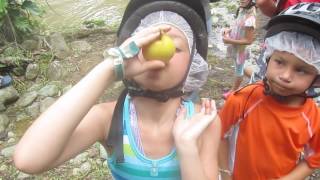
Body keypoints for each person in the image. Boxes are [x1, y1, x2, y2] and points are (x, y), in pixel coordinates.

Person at [13, 1, 221, 179]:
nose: (155, 55)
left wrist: (187, 147)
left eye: (175, 48)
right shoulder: (108, 118)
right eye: (144, 44)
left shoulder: (203, 123)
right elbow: (28, 159)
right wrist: (110, 68)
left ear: (194, 62)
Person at [218, 3, 320, 179]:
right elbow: (219, 134)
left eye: (301, 70)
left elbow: (314, 158)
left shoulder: (312, 117)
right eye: (279, 62)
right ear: (268, 58)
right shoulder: (243, 100)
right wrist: (225, 173)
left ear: (316, 79)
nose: (286, 76)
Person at [221, 0, 256, 99]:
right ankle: (258, 78)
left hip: (241, 50)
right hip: (236, 47)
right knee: (241, 66)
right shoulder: (242, 10)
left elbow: (249, 40)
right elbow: (237, 24)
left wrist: (230, 41)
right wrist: (229, 30)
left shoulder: (250, 19)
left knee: (239, 70)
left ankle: (233, 90)